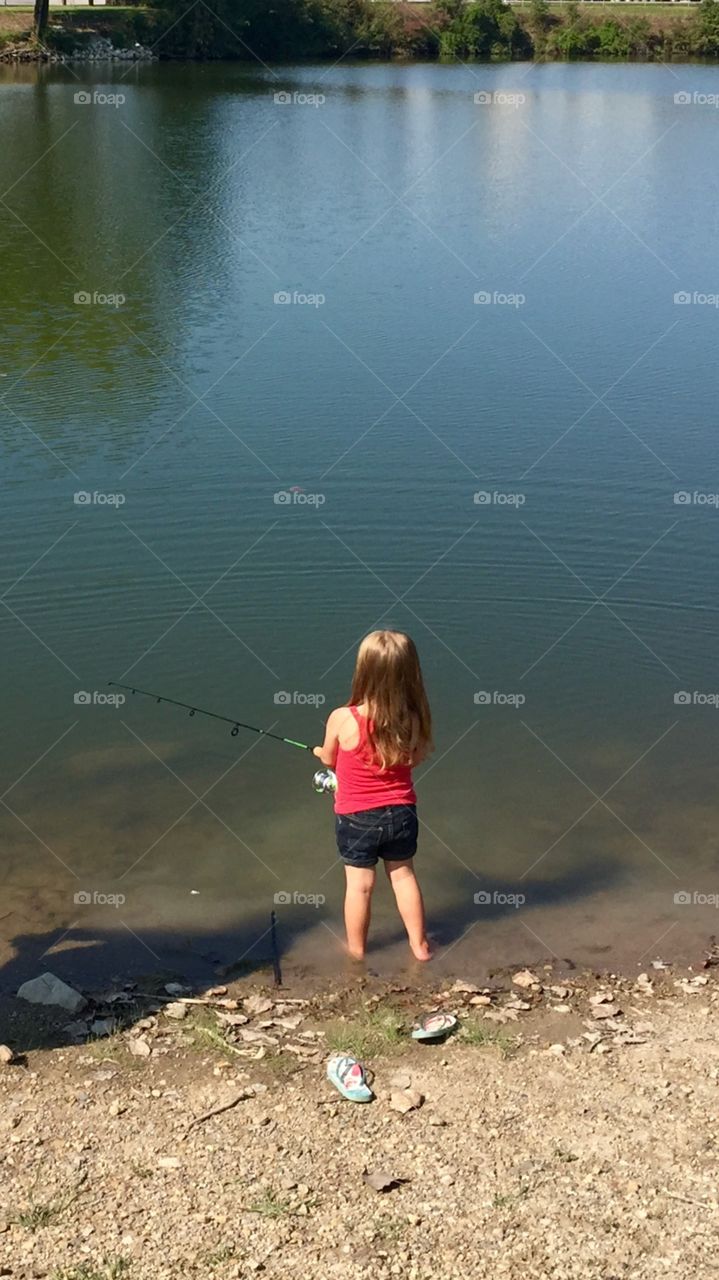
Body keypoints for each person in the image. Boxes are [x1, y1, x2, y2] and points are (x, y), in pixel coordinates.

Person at [313, 630, 433, 962]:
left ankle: (357, 950)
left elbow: (328, 758)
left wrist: (320, 752)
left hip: (357, 817)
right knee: (404, 875)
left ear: (363, 671)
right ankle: (420, 947)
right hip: (402, 813)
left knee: (360, 886)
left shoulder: (343, 717)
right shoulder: (412, 718)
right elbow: (417, 756)